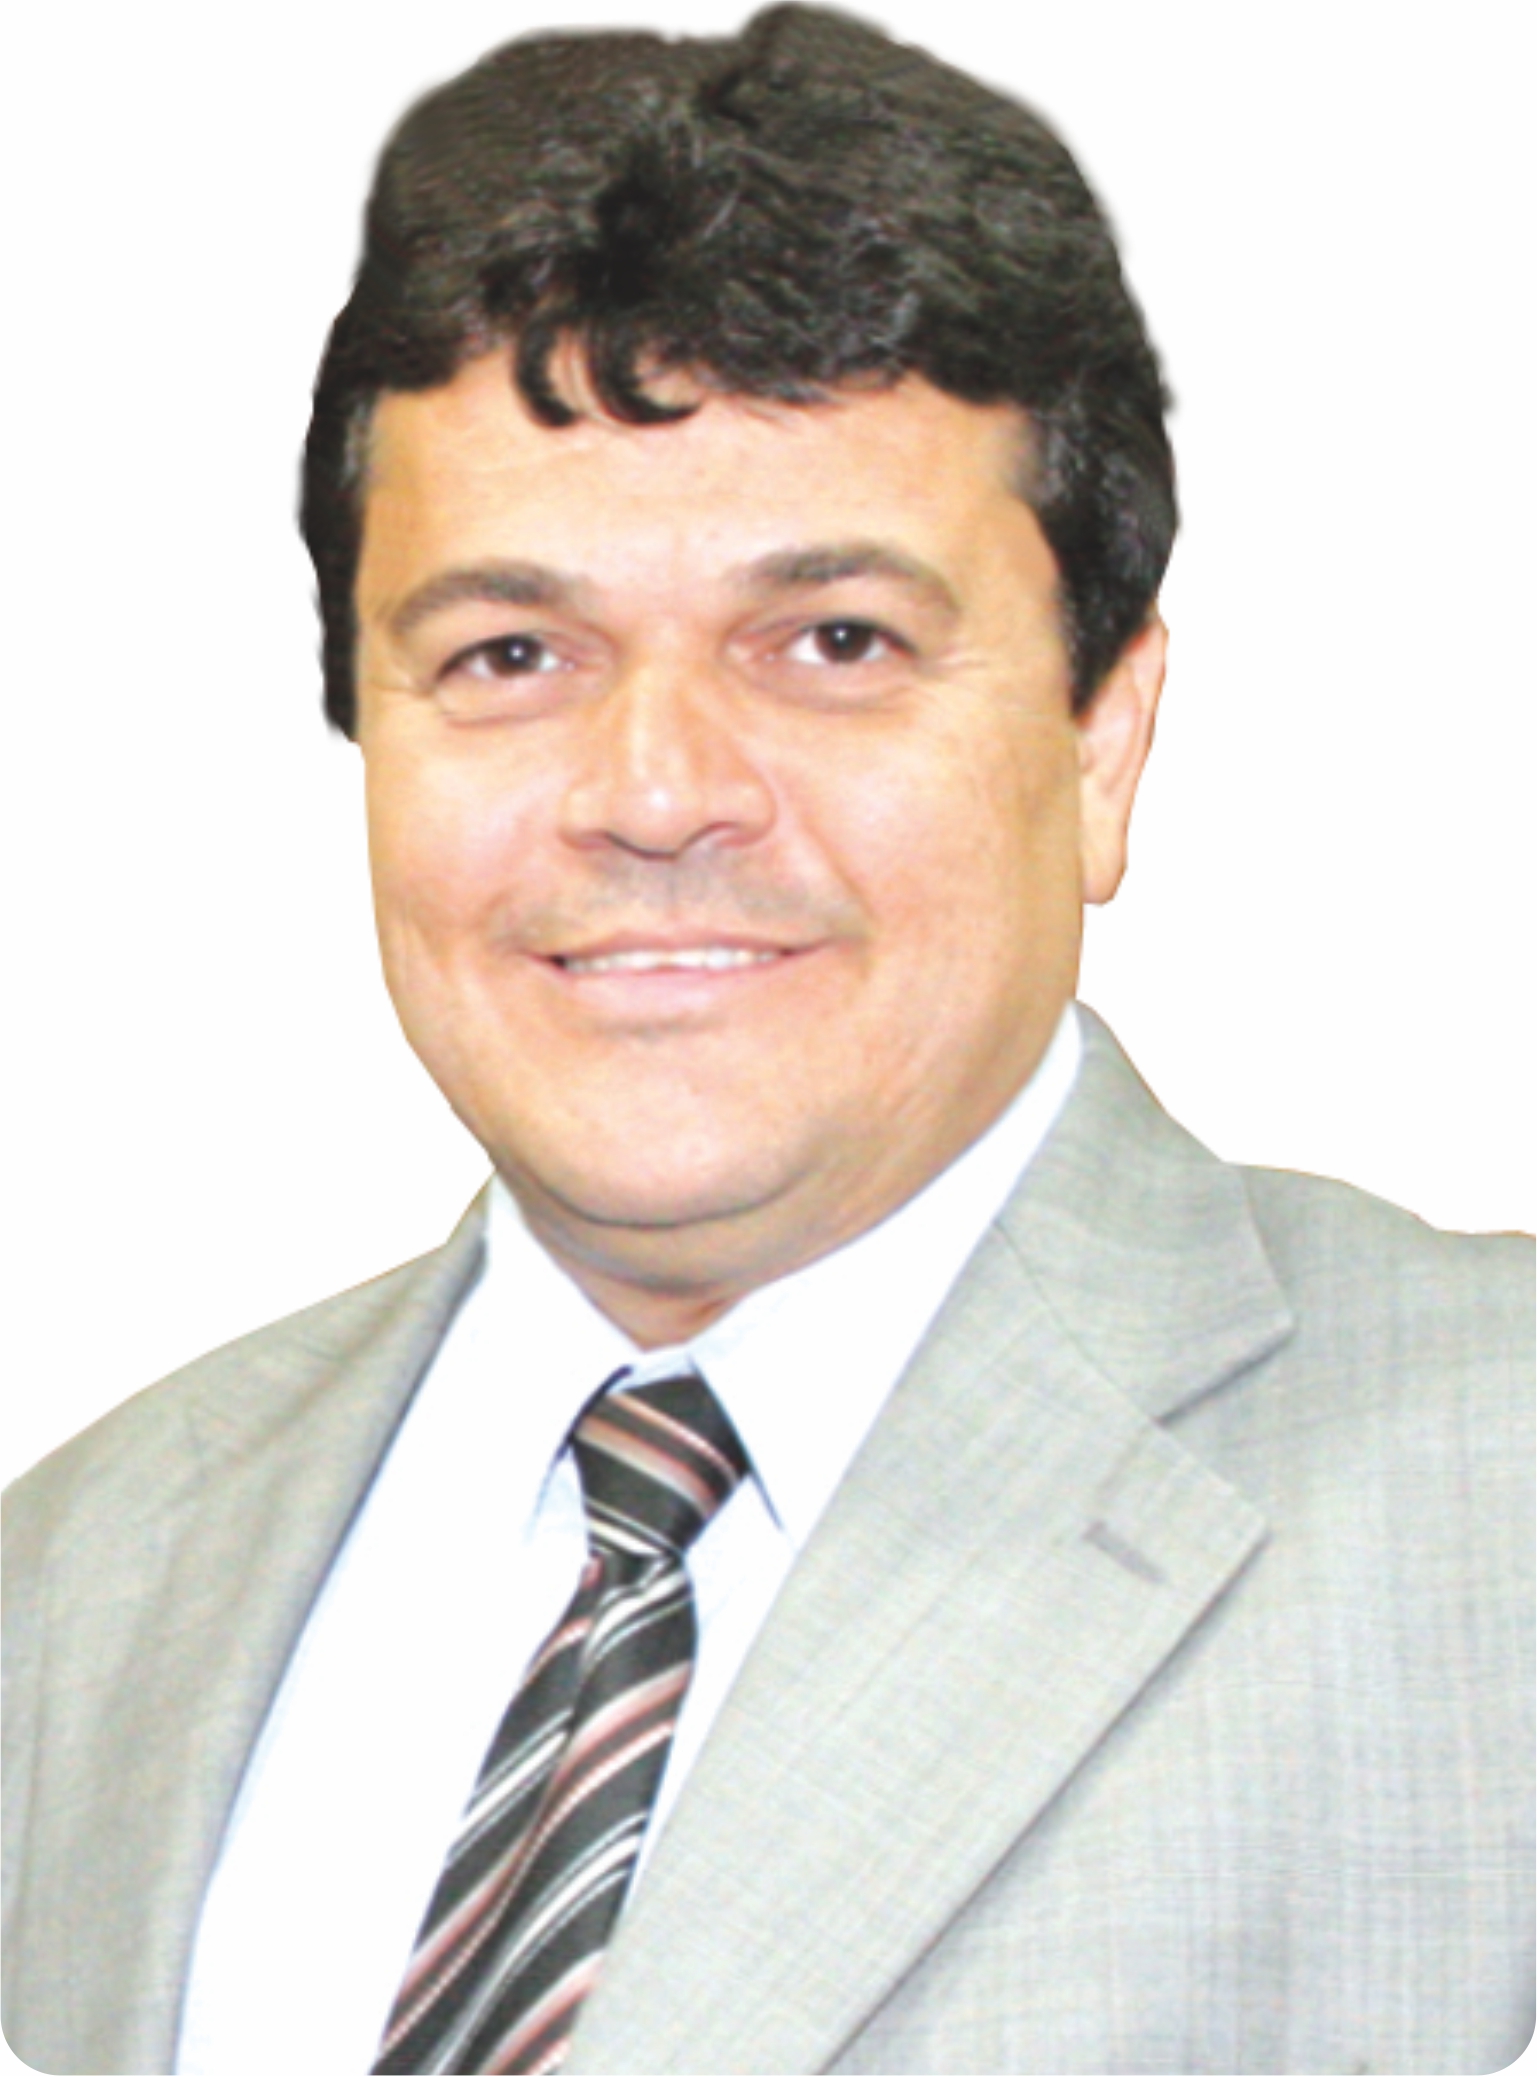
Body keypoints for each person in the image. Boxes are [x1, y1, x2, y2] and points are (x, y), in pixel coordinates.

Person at [3, 7, 1530, 2072]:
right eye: (510, 651)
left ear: (1101, 740)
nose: (653, 792)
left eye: (831, 642)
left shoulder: (1494, 1515)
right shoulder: (75, 1586)